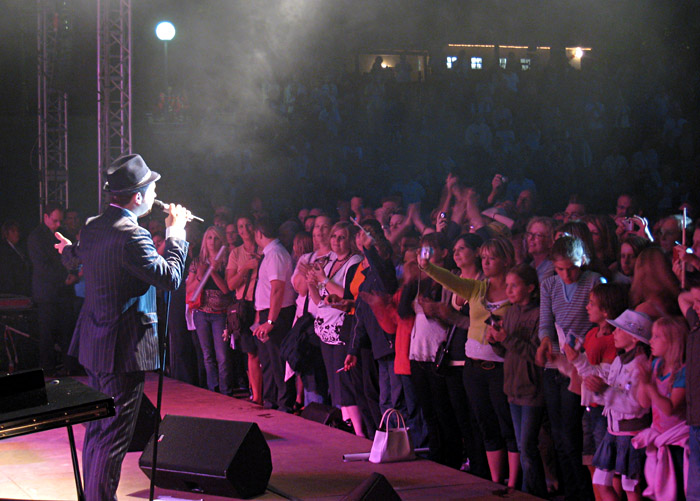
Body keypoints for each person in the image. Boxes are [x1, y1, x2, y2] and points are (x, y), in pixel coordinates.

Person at [55, 154, 189, 501]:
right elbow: (170, 279)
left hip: (95, 345)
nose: (157, 192)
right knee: (112, 438)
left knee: (98, 432)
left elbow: (82, 256)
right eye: (153, 187)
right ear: (139, 197)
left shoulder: (93, 225)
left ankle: (93, 497)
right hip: (123, 350)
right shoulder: (134, 235)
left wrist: (67, 250)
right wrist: (176, 234)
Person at [418, 237, 519, 489]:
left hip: (502, 368)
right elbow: (451, 281)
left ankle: (515, 483)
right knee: (485, 424)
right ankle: (496, 482)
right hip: (474, 367)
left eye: (490, 258)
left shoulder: (514, 291)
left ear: (506, 261)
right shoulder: (478, 289)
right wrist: (428, 267)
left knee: (506, 426)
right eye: (483, 257)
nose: (485, 262)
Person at [536, 235, 601, 500]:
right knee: (559, 434)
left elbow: (600, 323)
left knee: (575, 435)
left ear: (582, 260)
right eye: (560, 269)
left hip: (581, 367)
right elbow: (545, 322)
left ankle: (584, 493)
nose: (566, 274)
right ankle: (569, 490)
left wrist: (579, 356)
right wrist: (544, 343)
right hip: (555, 365)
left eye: (572, 267)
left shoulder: (594, 281)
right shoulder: (549, 284)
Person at [566, 309, 652, 501]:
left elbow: (634, 404)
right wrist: (579, 361)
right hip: (613, 434)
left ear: (635, 338)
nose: (614, 333)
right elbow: (602, 380)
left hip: (630, 436)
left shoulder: (640, 367)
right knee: (601, 482)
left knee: (630, 487)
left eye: (620, 330)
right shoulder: (620, 361)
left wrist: (604, 390)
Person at [486, 263, 545, 497]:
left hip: (532, 387)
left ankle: (534, 492)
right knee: (522, 446)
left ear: (530, 287)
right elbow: (507, 353)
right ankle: (526, 489)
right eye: (507, 285)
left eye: (514, 285)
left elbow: (536, 354)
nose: (509, 290)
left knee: (528, 446)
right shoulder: (510, 312)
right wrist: (496, 342)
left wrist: (507, 339)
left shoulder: (540, 314)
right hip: (512, 386)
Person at [634, 316, 689, 500]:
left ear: (672, 341)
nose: (651, 341)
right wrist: (643, 381)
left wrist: (650, 386)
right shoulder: (657, 365)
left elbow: (669, 408)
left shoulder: (682, 371)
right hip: (659, 438)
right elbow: (644, 403)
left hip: (677, 442)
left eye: (657, 336)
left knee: (677, 491)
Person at [251, 217, 297, 412]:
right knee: (268, 361)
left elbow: (277, 289)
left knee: (278, 362)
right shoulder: (270, 253)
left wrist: (270, 320)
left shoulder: (276, 253)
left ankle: (284, 404)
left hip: (278, 315)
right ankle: (272, 401)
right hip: (268, 313)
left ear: (259, 233)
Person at [28, 202, 78, 376]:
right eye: (55, 220)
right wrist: (65, 278)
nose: (58, 224)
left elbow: (70, 258)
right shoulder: (36, 237)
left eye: (60, 221)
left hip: (63, 292)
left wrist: (72, 273)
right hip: (47, 293)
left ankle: (68, 367)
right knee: (47, 334)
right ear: (46, 217)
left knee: (67, 331)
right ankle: (48, 370)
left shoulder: (62, 233)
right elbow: (42, 267)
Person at [186, 226, 233, 395]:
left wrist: (212, 271)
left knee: (222, 356)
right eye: (209, 238)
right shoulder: (197, 262)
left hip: (220, 314)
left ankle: (226, 391)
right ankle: (213, 389)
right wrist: (200, 276)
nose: (212, 241)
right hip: (201, 312)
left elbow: (226, 289)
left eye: (216, 238)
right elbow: (188, 289)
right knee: (207, 355)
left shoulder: (227, 261)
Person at [226, 215, 263, 404]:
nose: (244, 229)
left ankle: (264, 394)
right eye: (240, 226)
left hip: (262, 304)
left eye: (247, 225)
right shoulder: (236, 254)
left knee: (264, 352)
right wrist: (246, 268)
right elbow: (231, 284)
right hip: (245, 307)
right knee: (251, 352)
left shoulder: (264, 248)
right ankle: (256, 395)